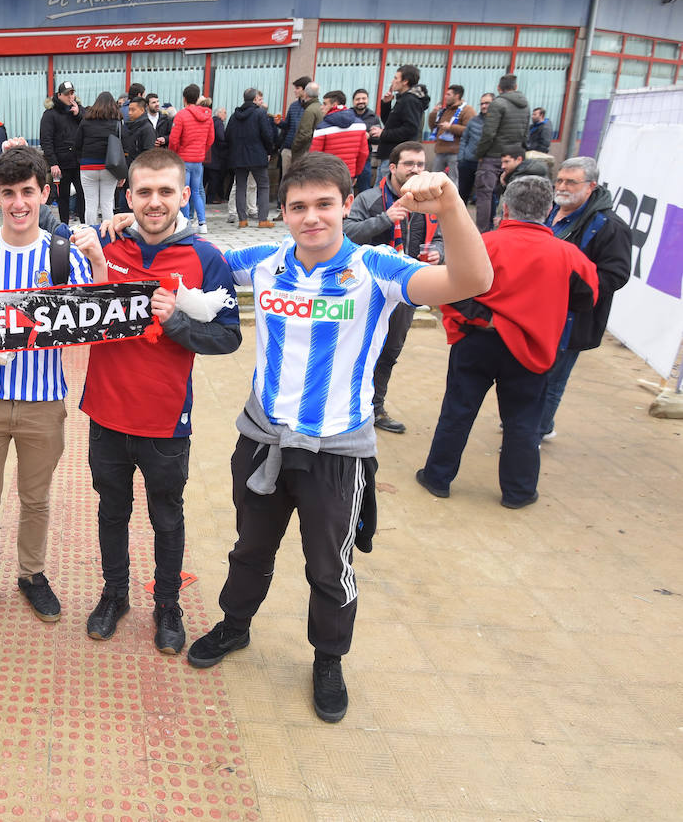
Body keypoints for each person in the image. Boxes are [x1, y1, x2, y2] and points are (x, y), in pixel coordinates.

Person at [188, 153, 494, 724]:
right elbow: (190, 260)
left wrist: (452, 206)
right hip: (263, 440)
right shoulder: (263, 261)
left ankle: (328, 659)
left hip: (336, 450)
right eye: (298, 206)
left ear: (347, 205)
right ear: (283, 212)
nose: (311, 217)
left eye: (324, 204)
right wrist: (124, 227)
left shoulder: (377, 267)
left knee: (330, 566)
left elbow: (472, 281)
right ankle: (234, 625)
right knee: (250, 548)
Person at [82, 148, 242, 653]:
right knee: (112, 512)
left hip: (167, 420)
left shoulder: (207, 259)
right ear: (128, 196)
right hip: (106, 413)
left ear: (184, 194)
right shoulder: (107, 244)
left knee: (166, 517)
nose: (155, 202)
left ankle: (167, 604)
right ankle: (114, 594)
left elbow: (229, 337)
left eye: (165, 191)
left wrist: (175, 322)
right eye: (144, 192)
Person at [0, 146, 104, 628]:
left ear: (44, 194)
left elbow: (93, 318)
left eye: (28, 192)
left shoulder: (63, 255)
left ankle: (32, 574)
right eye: (9, 193)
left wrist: (99, 260)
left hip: (43, 402)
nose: (19, 203)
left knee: (36, 499)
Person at [417, 176, 598, 508]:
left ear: (505, 208)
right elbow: (587, 298)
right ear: (548, 210)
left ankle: (437, 477)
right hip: (531, 347)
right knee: (523, 421)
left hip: (477, 341)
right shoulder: (568, 255)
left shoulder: (483, 243)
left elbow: (449, 288)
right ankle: (519, 491)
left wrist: (486, 317)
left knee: (457, 412)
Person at [342, 141, 443, 433]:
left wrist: (439, 253)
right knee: (354, 349)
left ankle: (375, 408)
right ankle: (345, 405)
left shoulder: (429, 204)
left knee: (389, 351)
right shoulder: (370, 199)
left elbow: (441, 238)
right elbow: (346, 234)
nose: (415, 170)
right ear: (393, 167)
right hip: (366, 291)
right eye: (409, 164)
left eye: (421, 164)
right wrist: (385, 219)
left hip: (405, 290)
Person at [538, 157, 632, 440]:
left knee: (553, 379)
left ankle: (535, 433)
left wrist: (569, 287)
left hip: (571, 318)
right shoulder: (548, 211)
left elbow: (615, 275)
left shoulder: (609, 226)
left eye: (571, 182)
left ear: (591, 186)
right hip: (537, 312)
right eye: (560, 180)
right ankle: (529, 423)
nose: (562, 187)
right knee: (530, 373)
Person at [474, 75, 530, 232]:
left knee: (485, 194)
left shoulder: (497, 104)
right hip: (515, 156)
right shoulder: (525, 105)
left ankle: (483, 232)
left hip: (493, 155)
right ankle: (506, 229)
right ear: (516, 86)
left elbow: (489, 133)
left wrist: (480, 153)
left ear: (499, 88)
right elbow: (526, 132)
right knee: (512, 193)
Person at [223, 88, 278, 229]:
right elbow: (267, 135)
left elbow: (227, 136)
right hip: (257, 156)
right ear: (254, 99)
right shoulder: (260, 113)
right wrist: (269, 151)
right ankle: (262, 220)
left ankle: (242, 220)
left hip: (238, 157)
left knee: (240, 187)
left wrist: (234, 150)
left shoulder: (234, 116)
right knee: (263, 186)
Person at [72, 91, 125, 229]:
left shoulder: (85, 121)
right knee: (107, 203)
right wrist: (122, 173)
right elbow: (123, 146)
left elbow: (77, 144)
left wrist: (82, 161)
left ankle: (90, 232)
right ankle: (108, 233)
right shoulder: (117, 122)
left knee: (90, 203)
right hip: (110, 167)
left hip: (88, 167)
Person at [166, 85, 215, 233]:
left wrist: (173, 154)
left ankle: (186, 222)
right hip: (198, 160)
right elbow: (211, 139)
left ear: (184, 99)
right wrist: (201, 151)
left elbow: (174, 139)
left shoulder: (181, 115)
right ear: (198, 97)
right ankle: (202, 223)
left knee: (183, 192)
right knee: (197, 191)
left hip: (183, 159)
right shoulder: (208, 116)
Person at [375, 65, 428, 180]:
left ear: (405, 81)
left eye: (395, 78)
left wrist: (383, 134)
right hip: (389, 154)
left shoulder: (410, 100)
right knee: (381, 188)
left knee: (386, 188)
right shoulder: (402, 99)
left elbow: (410, 129)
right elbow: (389, 124)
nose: (392, 81)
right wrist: (386, 104)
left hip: (396, 155)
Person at [40, 81, 83, 224]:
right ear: (59, 95)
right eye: (67, 94)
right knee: (62, 197)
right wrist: (53, 163)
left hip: (79, 161)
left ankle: (84, 224)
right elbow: (46, 140)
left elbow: (88, 128)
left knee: (83, 195)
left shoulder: (79, 110)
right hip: (61, 163)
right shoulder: (50, 114)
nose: (70, 97)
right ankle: (64, 225)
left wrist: (78, 114)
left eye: (72, 93)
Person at [310, 91, 370, 183]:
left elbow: (314, 156)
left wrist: (314, 177)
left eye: (325, 104)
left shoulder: (322, 128)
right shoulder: (360, 125)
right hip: (348, 175)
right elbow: (363, 153)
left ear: (334, 105)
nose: (321, 107)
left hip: (327, 176)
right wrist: (356, 174)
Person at [458, 93, 493, 203]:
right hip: (467, 162)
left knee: (484, 196)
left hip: (486, 163)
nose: (484, 106)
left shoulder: (497, 122)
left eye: (487, 103)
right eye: (482, 103)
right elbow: (464, 138)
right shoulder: (473, 121)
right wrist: (461, 158)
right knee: (462, 195)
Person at [427, 85, 468, 176]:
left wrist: (451, 127)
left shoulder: (467, 110)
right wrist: (434, 113)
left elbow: (468, 130)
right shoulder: (445, 110)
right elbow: (433, 127)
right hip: (440, 151)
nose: (445, 97)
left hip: (455, 152)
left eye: (448, 94)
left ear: (457, 96)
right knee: (435, 178)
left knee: (453, 179)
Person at [277, 77, 310, 185]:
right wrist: (278, 123)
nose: (295, 91)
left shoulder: (312, 107)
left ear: (305, 90)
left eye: (297, 88)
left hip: (303, 150)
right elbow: (287, 125)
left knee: (301, 180)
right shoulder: (293, 106)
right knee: (285, 179)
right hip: (288, 148)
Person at [351, 89, 379, 194]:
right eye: (358, 99)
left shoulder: (373, 117)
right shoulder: (347, 115)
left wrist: (369, 137)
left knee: (365, 189)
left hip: (365, 159)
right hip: (349, 158)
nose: (361, 101)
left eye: (363, 98)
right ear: (353, 101)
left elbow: (378, 139)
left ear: (367, 100)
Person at [290, 83, 325, 157]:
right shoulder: (320, 107)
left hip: (305, 151)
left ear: (305, 93)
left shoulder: (309, 110)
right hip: (316, 150)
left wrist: (294, 146)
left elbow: (304, 134)